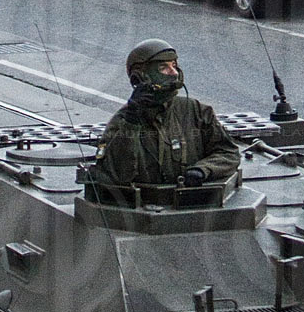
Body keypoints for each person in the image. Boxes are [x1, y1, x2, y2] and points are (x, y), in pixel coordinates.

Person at [92, 40, 241, 198]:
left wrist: (203, 170)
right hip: (143, 213)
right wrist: (132, 122)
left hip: (192, 206)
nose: (174, 73)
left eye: (174, 65)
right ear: (140, 77)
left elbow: (228, 153)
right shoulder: (122, 122)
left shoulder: (196, 111)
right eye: (163, 68)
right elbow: (116, 175)